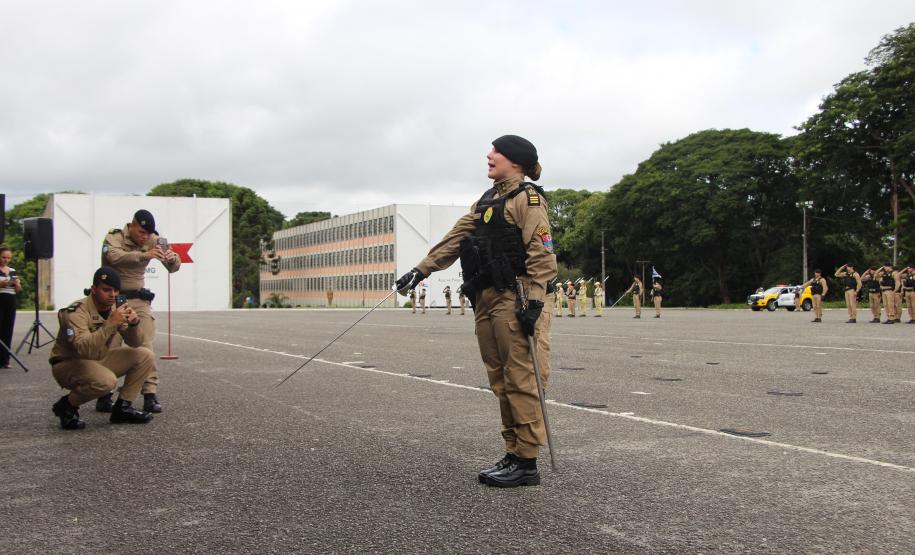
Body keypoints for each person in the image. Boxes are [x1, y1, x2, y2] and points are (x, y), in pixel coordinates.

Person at [395, 134, 556, 488]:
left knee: (521, 378)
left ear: (514, 160)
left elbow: (542, 254)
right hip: (487, 298)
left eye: (496, 151)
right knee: (499, 378)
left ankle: (527, 462)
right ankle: (513, 451)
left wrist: (534, 301)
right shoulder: (487, 201)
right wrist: (422, 270)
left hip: (516, 296)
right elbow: (455, 239)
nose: (489, 155)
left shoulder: (527, 200)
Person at [49, 267, 155, 429]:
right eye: (106, 290)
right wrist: (110, 324)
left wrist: (134, 324)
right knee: (106, 382)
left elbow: (135, 343)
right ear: (94, 290)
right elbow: (84, 350)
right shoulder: (76, 312)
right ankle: (67, 405)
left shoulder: (114, 309)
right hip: (69, 363)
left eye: (115, 290)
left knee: (145, 355)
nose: (112, 295)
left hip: (96, 359)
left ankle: (123, 408)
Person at [100, 209, 181, 413]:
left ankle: (150, 394)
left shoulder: (154, 239)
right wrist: (145, 254)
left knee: (145, 345)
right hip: (114, 300)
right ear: (133, 225)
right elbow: (115, 257)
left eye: (148, 234)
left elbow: (173, 267)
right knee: (110, 346)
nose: (145, 237)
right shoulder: (114, 237)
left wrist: (172, 259)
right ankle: (104, 393)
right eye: (142, 232)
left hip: (139, 300)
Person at [0, 246, 23, 368]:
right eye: (3, 257)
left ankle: (5, 360)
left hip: (10, 301)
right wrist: (3, 283)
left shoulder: (13, 271)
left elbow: (19, 290)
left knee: (7, 329)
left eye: (8, 258)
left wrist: (16, 284)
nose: (6, 260)